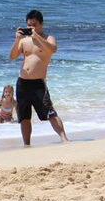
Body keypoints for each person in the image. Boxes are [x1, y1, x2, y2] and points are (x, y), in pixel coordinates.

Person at [9, 10, 70, 145]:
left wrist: (37, 36)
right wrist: (17, 39)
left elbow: (52, 49)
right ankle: (27, 144)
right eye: (29, 25)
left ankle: (64, 139)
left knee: (50, 112)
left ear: (41, 24)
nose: (31, 28)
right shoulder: (24, 41)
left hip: (38, 83)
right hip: (23, 83)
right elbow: (12, 56)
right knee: (24, 117)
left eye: (34, 25)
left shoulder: (48, 38)